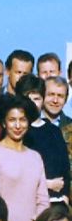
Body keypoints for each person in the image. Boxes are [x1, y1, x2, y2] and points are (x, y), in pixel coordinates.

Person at [15, 74, 69, 204]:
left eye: (36, 98)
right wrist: (47, 184)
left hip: (56, 203)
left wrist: (65, 197)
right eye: (27, 98)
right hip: (28, 202)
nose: (32, 103)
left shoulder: (54, 131)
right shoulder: (16, 131)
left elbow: (65, 169)